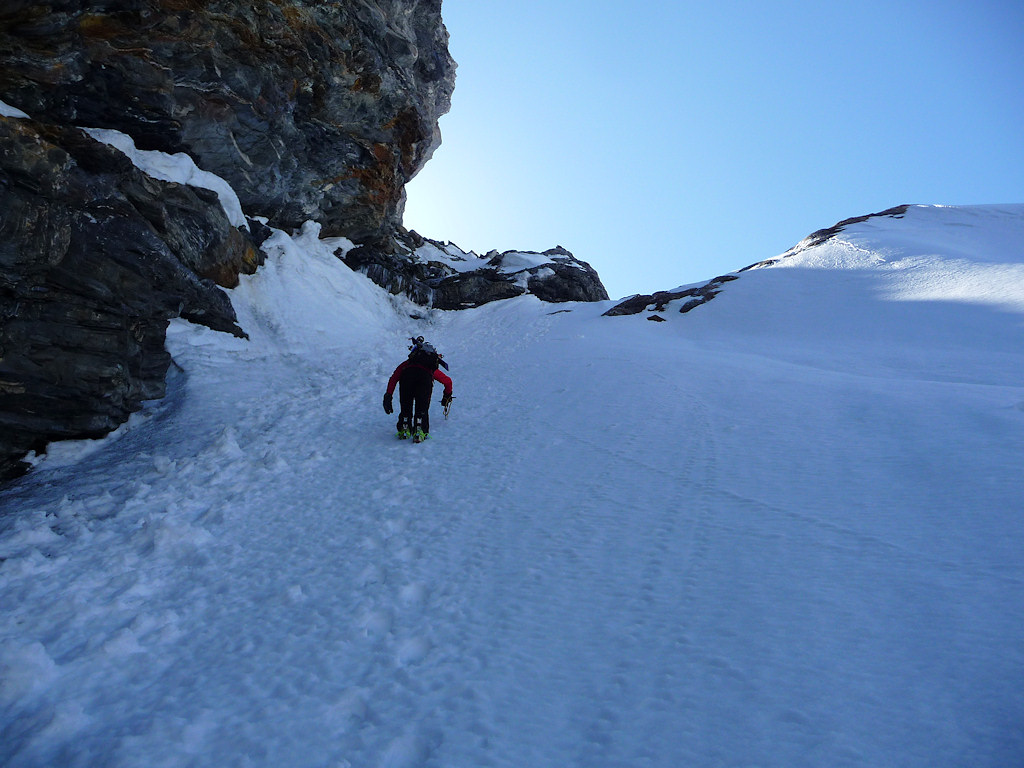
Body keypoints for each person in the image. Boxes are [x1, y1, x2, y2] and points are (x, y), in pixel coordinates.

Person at [383, 337, 453, 442]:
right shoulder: (430, 367)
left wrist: (388, 395)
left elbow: (393, 379)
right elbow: (448, 382)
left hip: (407, 379)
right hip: (424, 381)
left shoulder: (406, 364)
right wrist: (447, 396)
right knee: (422, 408)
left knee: (406, 406)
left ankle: (404, 428)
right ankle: (420, 430)